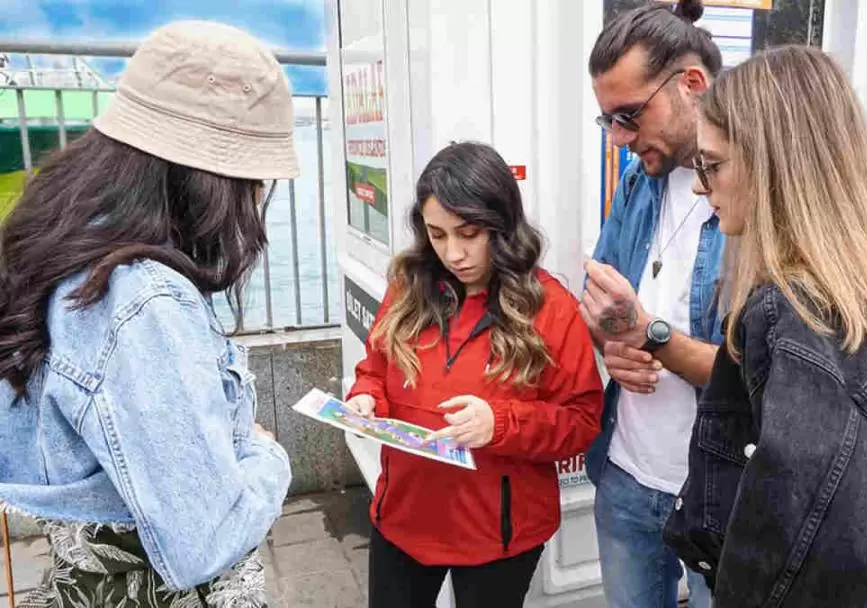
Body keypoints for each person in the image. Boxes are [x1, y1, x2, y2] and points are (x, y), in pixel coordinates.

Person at [0, 21, 297, 607]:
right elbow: (204, 537)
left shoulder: (62, 250)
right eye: (254, 179)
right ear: (214, 181)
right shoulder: (142, 303)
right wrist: (267, 455)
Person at [664, 44, 867, 605]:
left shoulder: (802, 315)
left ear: (776, 167)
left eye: (712, 164)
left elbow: (815, 548)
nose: (700, 185)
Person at [345, 141, 604, 608]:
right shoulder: (406, 288)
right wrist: (366, 399)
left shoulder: (550, 308)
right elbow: (375, 369)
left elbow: (582, 421)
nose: (454, 253)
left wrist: (499, 424)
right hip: (403, 517)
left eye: (469, 233)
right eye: (437, 234)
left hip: (497, 533)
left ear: (501, 225)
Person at [577, 0, 725, 605]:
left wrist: (651, 334)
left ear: (692, 84)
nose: (619, 137)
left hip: (723, 493)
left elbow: (771, 373)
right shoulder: (638, 180)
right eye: (608, 120)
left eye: (629, 114)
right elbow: (600, 314)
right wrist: (613, 345)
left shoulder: (759, 198)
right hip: (627, 477)